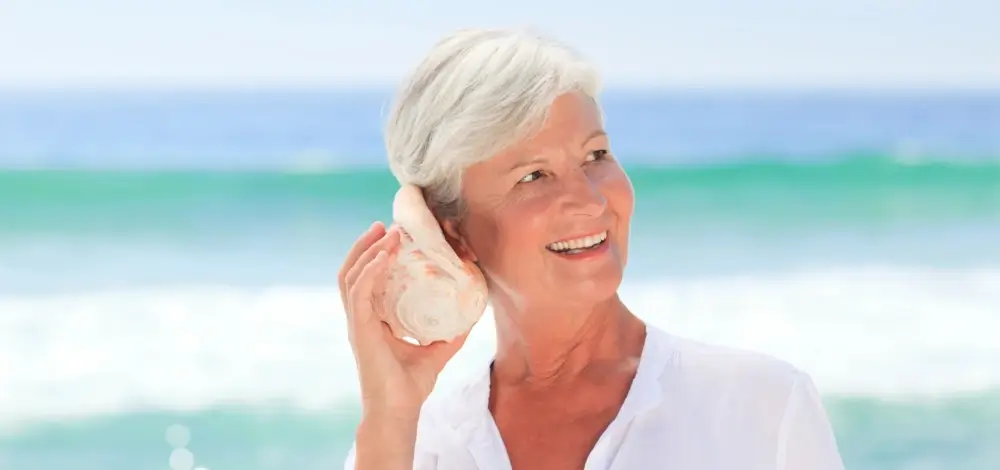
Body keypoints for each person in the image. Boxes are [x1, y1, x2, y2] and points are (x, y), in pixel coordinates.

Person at [337, 28, 845, 470]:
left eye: (595, 155)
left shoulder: (761, 408)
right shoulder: (408, 447)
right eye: (533, 176)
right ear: (451, 234)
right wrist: (390, 415)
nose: (589, 199)